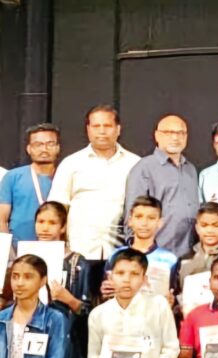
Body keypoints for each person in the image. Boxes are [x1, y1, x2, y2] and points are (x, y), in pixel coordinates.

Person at [48, 104, 140, 260]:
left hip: (122, 252)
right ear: (88, 129)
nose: (102, 131)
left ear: (118, 129)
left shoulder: (135, 164)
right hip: (79, 249)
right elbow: (57, 208)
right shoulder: (71, 163)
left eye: (107, 126)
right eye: (96, 126)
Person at [33, 201, 96, 358]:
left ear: (62, 227)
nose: (45, 228)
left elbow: (89, 312)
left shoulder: (78, 263)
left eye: (52, 223)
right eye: (41, 221)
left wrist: (67, 298)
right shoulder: (27, 259)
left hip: (68, 338)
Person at [124, 114, 199, 258]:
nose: (175, 138)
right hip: (156, 254)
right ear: (157, 136)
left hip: (190, 254)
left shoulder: (190, 169)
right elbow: (132, 214)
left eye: (181, 133)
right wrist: (138, 254)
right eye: (169, 132)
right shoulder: (144, 168)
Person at [101, 196, 178, 306]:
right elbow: (107, 292)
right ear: (130, 221)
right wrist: (105, 292)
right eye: (139, 217)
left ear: (160, 223)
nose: (144, 223)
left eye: (151, 218)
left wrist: (172, 302)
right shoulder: (115, 255)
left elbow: (174, 293)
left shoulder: (170, 259)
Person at [0, 123, 59, 246]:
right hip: (19, 249)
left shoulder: (65, 175)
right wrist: (9, 252)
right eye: (38, 144)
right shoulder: (13, 177)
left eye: (50, 144)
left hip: (58, 248)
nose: (44, 149)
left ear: (58, 147)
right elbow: (1, 219)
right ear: (29, 149)